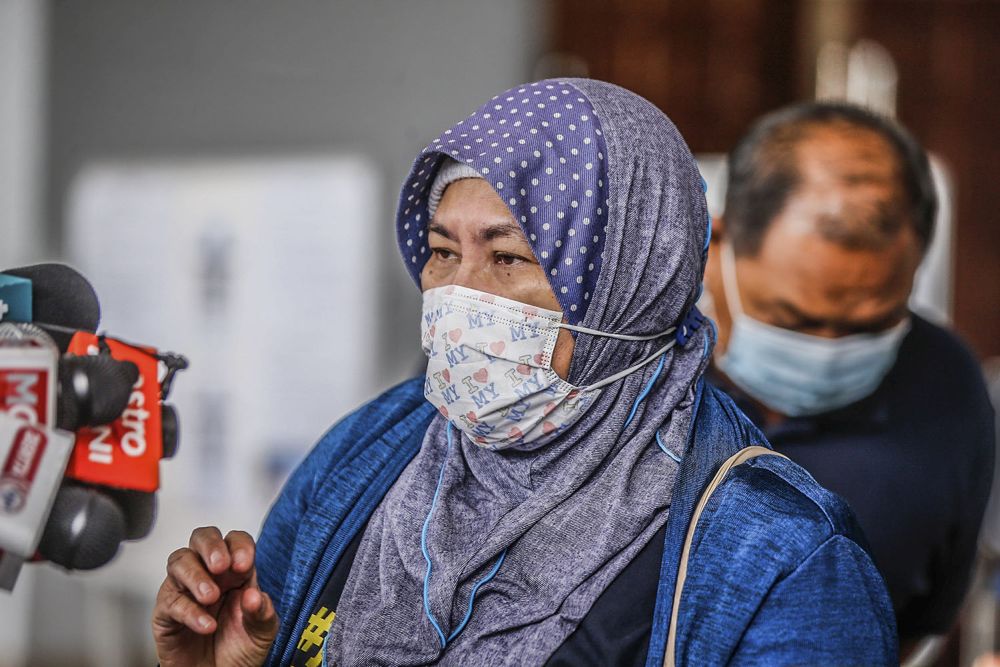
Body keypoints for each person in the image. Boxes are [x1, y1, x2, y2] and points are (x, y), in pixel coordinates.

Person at [152, 80, 897, 666]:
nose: (458, 295)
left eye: (508, 258)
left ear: (631, 283)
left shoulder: (784, 562)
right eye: (443, 251)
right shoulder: (367, 453)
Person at [700, 101, 995, 645]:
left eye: (871, 325)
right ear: (718, 242)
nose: (828, 349)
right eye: (795, 319)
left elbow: (921, 622)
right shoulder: (630, 372)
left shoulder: (946, 387)